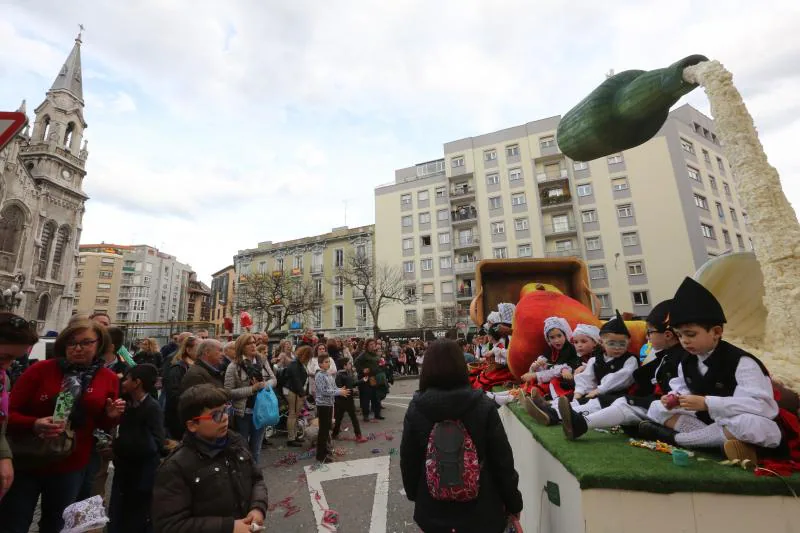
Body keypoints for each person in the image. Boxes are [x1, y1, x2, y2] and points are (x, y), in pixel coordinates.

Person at [641, 277, 785, 464]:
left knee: (749, 424)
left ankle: (682, 440)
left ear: (716, 332)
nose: (684, 341)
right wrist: (674, 398)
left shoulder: (742, 362)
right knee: (656, 408)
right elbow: (683, 388)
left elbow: (762, 406)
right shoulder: (686, 360)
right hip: (708, 421)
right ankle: (721, 443)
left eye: (691, 334)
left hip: (736, 420)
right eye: (680, 335)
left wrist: (709, 403)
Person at [0, 320, 126, 533]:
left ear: (99, 344)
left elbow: (102, 424)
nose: (77, 348)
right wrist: (34, 423)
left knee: (57, 524)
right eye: (71, 343)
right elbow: (7, 413)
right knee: (14, 522)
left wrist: (112, 416)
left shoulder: (109, 378)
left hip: (72, 463)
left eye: (85, 343)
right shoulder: (40, 370)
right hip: (28, 460)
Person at [400, 339, 522, 533]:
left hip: (433, 510)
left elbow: (409, 460)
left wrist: (417, 496)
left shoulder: (417, 408)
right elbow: (502, 461)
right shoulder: (482, 405)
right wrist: (514, 503)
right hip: (483, 511)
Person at [560, 301, 687, 440]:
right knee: (614, 402)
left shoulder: (678, 357)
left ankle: (576, 421)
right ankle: (562, 415)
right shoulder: (667, 355)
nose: (647, 337)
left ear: (668, 335)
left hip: (666, 404)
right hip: (656, 401)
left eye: (650, 332)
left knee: (620, 403)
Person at [151, 385, 267, 533]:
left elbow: (257, 479)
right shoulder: (176, 467)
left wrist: (257, 508)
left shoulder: (236, 442)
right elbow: (169, 525)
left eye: (226, 410)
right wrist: (228, 527)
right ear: (193, 425)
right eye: (216, 415)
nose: (225, 418)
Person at [526, 311, 638, 426]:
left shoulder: (630, 359)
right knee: (579, 401)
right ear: (602, 343)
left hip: (616, 395)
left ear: (628, 342)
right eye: (611, 343)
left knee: (593, 404)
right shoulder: (596, 359)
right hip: (597, 392)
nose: (617, 347)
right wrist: (579, 392)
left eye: (622, 344)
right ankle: (547, 407)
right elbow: (586, 378)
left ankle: (554, 415)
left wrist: (600, 389)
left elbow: (623, 377)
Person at [109, 364, 164, 533]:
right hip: (125, 467)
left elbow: (157, 440)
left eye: (127, 379)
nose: (123, 382)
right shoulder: (126, 403)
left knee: (137, 511)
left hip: (141, 470)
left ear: (137, 382)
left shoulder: (151, 407)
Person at [0, 313, 39, 502]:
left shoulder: (3, 380)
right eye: (4, 357)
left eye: (13, 359)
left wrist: (4, 456)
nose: (7, 365)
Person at [224, 333, 277, 463]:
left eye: (254, 342)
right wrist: (252, 389)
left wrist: (265, 385)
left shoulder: (262, 361)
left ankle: (255, 476)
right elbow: (228, 392)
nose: (253, 345)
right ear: (241, 346)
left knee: (256, 447)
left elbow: (274, 379)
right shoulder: (234, 366)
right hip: (244, 413)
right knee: (242, 448)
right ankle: (243, 475)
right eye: (249, 343)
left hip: (261, 410)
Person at [521, 317, 581, 398]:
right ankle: (529, 394)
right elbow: (548, 367)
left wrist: (535, 375)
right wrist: (535, 367)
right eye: (552, 337)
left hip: (567, 382)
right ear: (548, 339)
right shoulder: (550, 351)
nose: (556, 340)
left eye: (559, 336)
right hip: (548, 379)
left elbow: (568, 369)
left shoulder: (571, 349)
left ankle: (557, 400)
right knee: (539, 383)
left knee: (554, 382)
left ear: (565, 335)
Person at [313, 355, 350, 463]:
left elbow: (332, 388)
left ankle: (325, 450)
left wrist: (339, 389)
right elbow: (324, 391)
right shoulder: (319, 375)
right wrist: (339, 392)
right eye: (325, 362)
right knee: (323, 431)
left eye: (328, 361)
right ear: (320, 364)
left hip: (329, 404)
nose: (328, 364)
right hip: (323, 405)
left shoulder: (328, 374)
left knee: (327, 429)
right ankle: (321, 455)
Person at [163, 335, 197, 439]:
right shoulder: (179, 368)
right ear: (188, 349)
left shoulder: (194, 366)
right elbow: (173, 395)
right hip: (179, 419)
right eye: (199, 348)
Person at [332, 359, 368, 443]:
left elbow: (352, 384)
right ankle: (358, 436)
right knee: (344, 418)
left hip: (348, 399)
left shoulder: (347, 374)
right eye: (349, 364)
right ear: (344, 366)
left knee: (343, 418)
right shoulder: (340, 375)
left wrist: (362, 380)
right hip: (343, 400)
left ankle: (335, 434)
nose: (350, 365)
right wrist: (348, 390)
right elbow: (339, 387)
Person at [284, 345, 311, 447]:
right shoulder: (296, 364)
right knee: (293, 414)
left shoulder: (297, 363)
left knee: (294, 415)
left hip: (295, 391)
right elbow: (296, 381)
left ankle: (294, 436)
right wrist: (302, 394)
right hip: (294, 392)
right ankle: (291, 438)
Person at [355, 338, 384, 422]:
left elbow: (378, 363)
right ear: (367, 346)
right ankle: (366, 415)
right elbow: (356, 363)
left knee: (376, 396)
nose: (372, 346)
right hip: (366, 378)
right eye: (370, 344)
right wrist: (362, 370)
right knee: (366, 397)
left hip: (374, 378)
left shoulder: (375, 354)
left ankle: (377, 414)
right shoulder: (363, 354)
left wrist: (382, 365)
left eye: (373, 344)